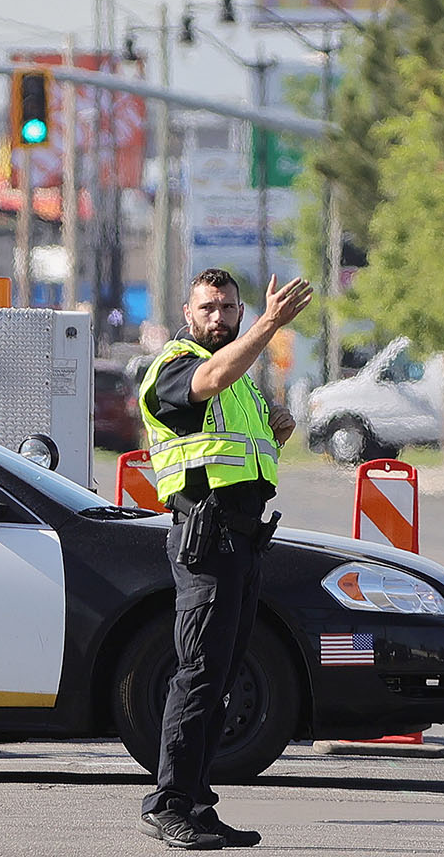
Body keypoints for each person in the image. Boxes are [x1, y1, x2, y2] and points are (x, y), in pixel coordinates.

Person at [136, 269, 313, 850]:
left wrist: (277, 428)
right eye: (208, 308)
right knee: (199, 674)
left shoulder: (242, 384)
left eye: (229, 308)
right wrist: (270, 323)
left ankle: (196, 799)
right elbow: (209, 380)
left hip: (242, 542)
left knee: (222, 677)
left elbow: (245, 453)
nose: (219, 317)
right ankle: (168, 804)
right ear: (188, 313)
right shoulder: (176, 366)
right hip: (205, 543)